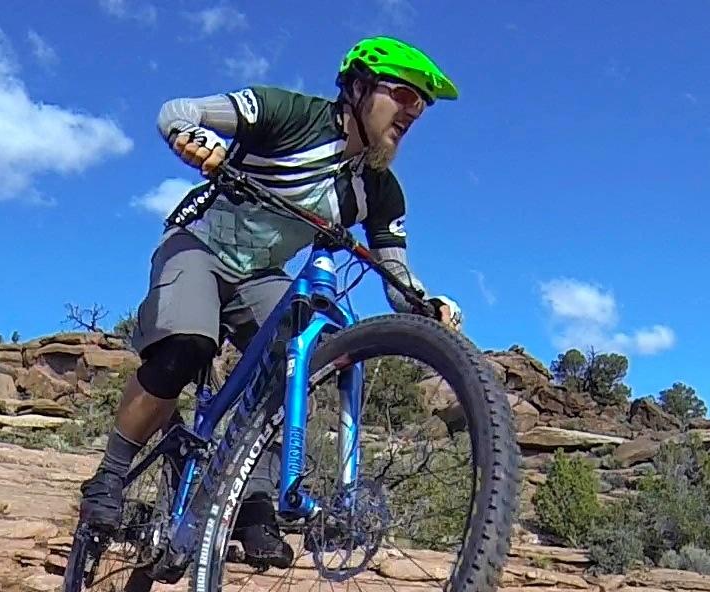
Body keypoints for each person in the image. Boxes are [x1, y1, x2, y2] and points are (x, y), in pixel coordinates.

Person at [80, 35, 464, 565]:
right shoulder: (288, 114)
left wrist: (426, 303)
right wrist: (190, 137)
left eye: (420, 104)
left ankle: (254, 500)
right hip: (199, 246)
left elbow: (394, 274)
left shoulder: (379, 189)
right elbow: (178, 110)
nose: (412, 111)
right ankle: (111, 475)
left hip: (261, 273)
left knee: (301, 357)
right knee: (186, 347)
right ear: (357, 87)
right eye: (403, 94)